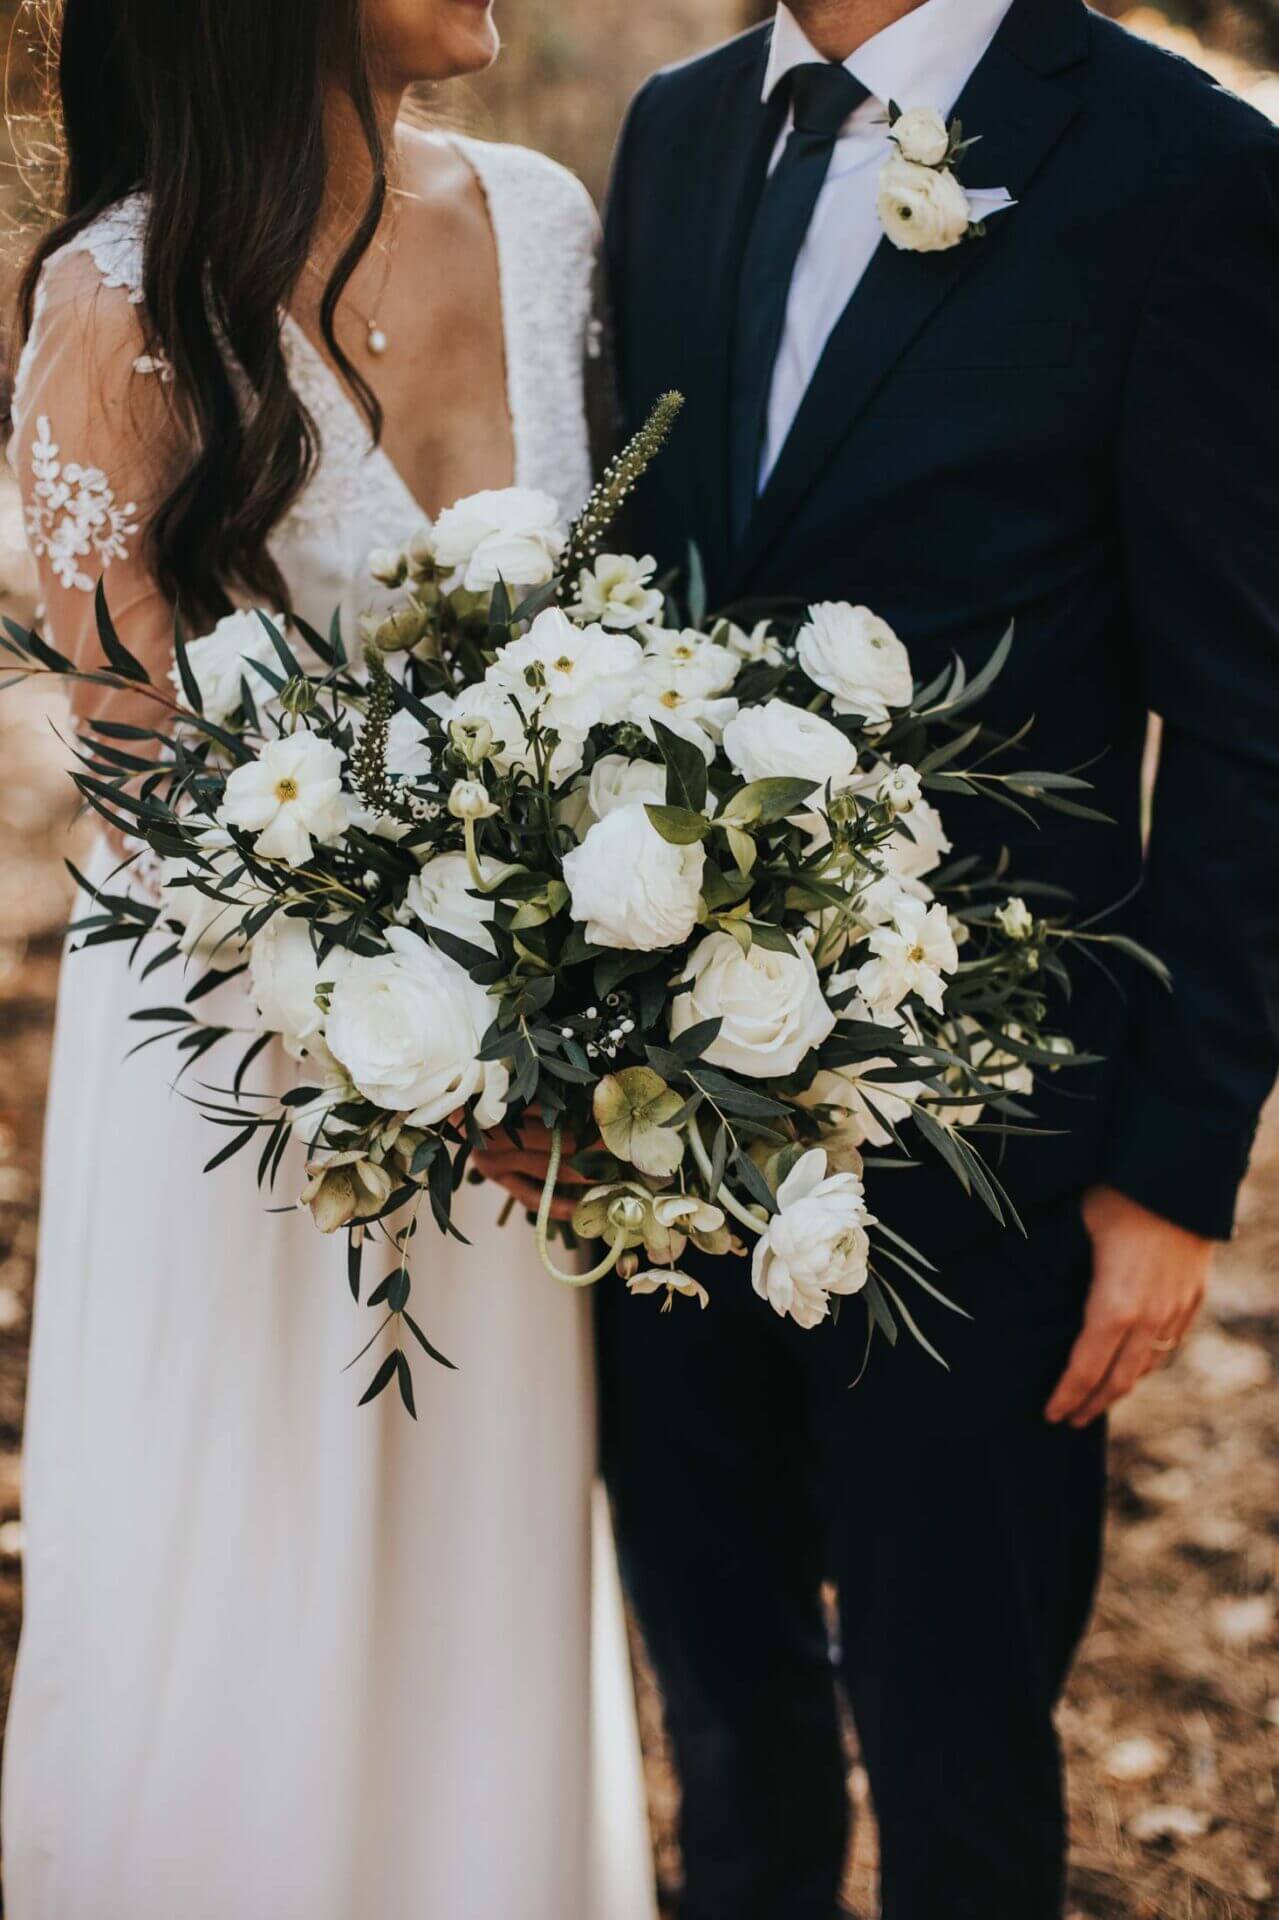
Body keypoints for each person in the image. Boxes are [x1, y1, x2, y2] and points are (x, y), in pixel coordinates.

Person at [598, 1, 1279, 1915]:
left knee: (958, 1752)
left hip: (990, 1158)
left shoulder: (1183, 170)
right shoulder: (673, 134)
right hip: (662, 1129)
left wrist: (1172, 1162)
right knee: (727, 1730)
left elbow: (1247, 724)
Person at [2, 3, 656, 1916]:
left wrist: (584, 1024)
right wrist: (431, 1049)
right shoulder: (116, 303)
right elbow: (135, 777)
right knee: (256, 1580)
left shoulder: (544, 224)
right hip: (254, 1091)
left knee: (481, 1591)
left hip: (524, 1115)